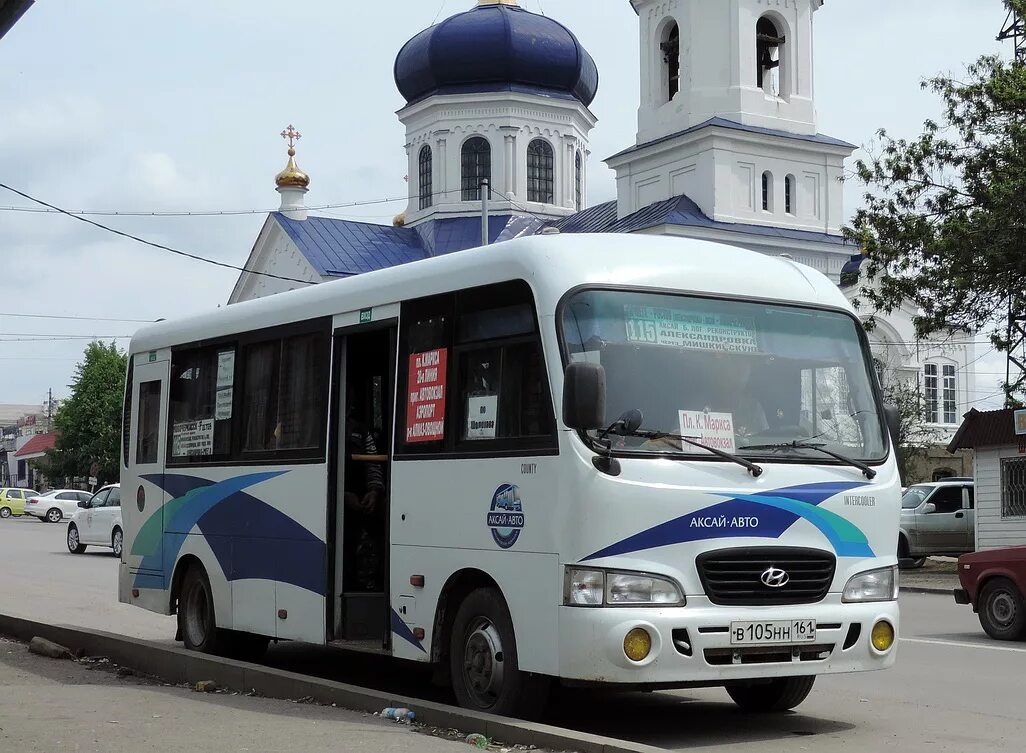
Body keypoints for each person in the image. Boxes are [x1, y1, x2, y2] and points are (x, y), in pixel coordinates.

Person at [344, 410, 386, 592]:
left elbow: (373, 463)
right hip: (340, 503)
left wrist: (374, 491)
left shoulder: (360, 430)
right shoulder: (319, 427)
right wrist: (342, 494)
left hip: (363, 501)